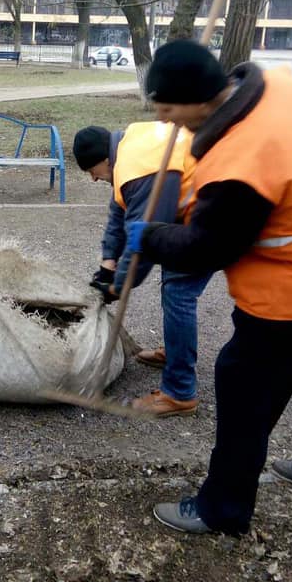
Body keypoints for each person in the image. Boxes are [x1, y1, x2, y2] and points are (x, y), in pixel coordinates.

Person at [124, 40, 292, 535]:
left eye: (170, 109)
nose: (168, 121)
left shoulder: (242, 162)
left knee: (243, 395)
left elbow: (207, 249)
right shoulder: (283, 86)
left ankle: (222, 510)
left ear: (197, 98)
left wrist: (149, 236)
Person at [72, 123, 211, 416]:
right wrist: (107, 263)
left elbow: (143, 243)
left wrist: (117, 285)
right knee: (174, 283)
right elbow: (119, 210)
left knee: (178, 291)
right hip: (193, 215)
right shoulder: (128, 146)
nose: (93, 179)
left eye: (91, 171)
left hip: (216, 213)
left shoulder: (141, 169)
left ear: (104, 160)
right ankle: (176, 353)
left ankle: (180, 392)